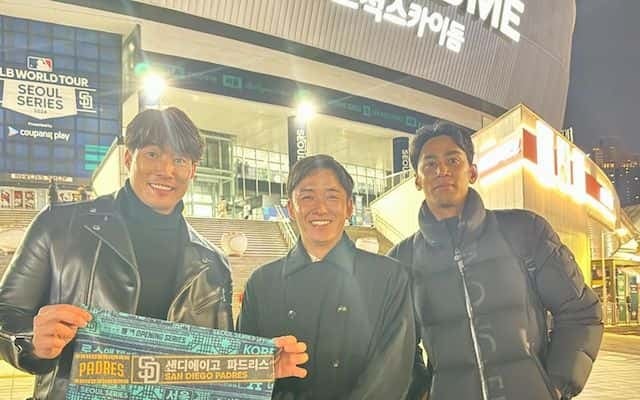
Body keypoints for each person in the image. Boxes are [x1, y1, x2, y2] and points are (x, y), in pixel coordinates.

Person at [0, 107, 306, 400]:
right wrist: (30, 340)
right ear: (128, 158)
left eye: (180, 159)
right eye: (153, 154)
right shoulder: (59, 225)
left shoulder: (213, 264)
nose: (166, 170)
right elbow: (6, 315)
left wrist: (257, 367)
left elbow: (215, 364)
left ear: (193, 170)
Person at [388, 122, 604, 400]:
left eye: (453, 160)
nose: (442, 170)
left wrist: (556, 385)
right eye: (430, 164)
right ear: (417, 180)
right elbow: (393, 345)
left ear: (472, 172)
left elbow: (580, 310)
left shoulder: (524, 231)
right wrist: (420, 392)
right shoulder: (401, 260)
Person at [238, 154, 415, 400]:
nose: (320, 208)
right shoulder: (262, 283)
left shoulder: (389, 277)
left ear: (350, 207)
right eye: (307, 197)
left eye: (332, 197)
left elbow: (392, 372)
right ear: (291, 208)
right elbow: (245, 371)